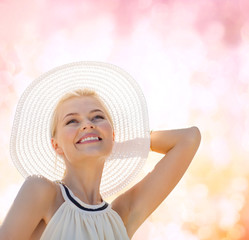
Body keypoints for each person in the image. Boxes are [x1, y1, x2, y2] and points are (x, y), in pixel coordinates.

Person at [0, 62, 201, 240]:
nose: (87, 124)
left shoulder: (121, 216)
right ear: (56, 145)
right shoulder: (41, 192)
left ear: (113, 134)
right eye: (72, 120)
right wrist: (97, 140)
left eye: (97, 117)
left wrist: (118, 145)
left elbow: (189, 138)